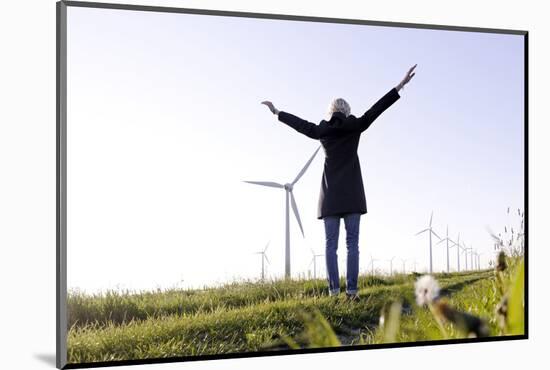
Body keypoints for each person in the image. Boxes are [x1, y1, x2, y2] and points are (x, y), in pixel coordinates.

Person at [261, 65, 417, 300]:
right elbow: (377, 109)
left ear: (331, 111)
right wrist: (400, 85)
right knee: (352, 245)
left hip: (331, 197)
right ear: (346, 111)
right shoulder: (356, 126)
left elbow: (301, 125)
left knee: (330, 246)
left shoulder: (322, 130)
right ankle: (352, 292)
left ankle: (334, 292)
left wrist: (277, 112)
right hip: (353, 195)